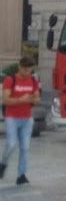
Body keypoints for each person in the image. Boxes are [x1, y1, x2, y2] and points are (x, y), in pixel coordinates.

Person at [0, 57, 40, 185]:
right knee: (11, 144)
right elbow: (5, 100)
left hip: (27, 118)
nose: (27, 71)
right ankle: (3, 164)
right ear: (19, 67)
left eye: (29, 69)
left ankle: (21, 175)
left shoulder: (33, 80)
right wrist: (21, 100)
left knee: (25, 148)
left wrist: (33, 99)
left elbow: (37, 99)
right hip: (11, 117)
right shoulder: (10, 80)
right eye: (24, 68)